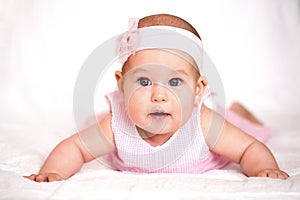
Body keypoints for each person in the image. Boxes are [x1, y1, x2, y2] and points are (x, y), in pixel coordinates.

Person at [24, 14, 289, 182]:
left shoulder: (204, 122)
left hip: (216, 126)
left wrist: (264, 169)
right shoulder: (116, 124)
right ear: (122, 86)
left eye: (175, 82)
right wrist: (54, 172)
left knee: (241, 127)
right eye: (144, 81)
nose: (159, 95)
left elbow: (248, 149)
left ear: (197, 90)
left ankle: (240, 112)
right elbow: (76, 148)